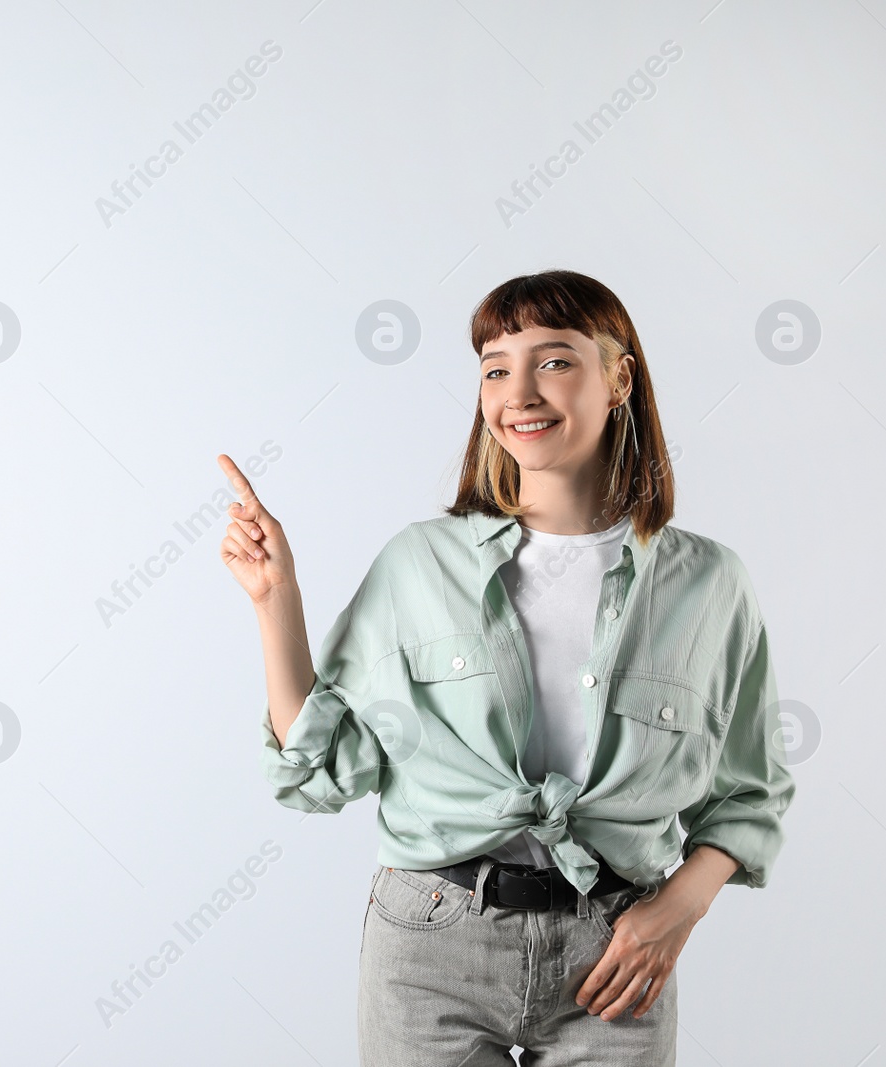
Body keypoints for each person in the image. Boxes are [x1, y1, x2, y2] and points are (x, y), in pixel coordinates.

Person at [216, 270, 794, 1066]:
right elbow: (321, 773)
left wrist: (679, 910)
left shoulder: (710, 583)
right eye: (494, 367)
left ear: (619, 377)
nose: (518, 391)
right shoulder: (419, 564)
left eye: (554, 361)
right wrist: (275, 602)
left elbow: (749, 791)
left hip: (616, 957)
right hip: (430, 949)